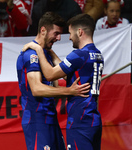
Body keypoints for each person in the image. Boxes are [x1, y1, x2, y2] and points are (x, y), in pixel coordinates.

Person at [23, 13, 104, 150]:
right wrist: (51, 53)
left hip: (80, 119)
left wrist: (38, 49)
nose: (69, 37)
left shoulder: (79, 54)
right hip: (93, 118)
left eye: (70, 33)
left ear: (79, 32)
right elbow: (69, 74)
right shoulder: (97, 54)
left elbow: (49, 75)